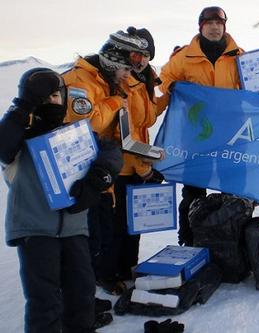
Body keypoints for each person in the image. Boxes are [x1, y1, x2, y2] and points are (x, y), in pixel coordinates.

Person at [0, 68, 122, 332]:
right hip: (35, 231)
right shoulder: (18, 141)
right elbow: (3, 144)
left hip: (75, 230)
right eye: (44, 97)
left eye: (57, 95)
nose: (52, 102)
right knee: (45, 303)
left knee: (81, 297)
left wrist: (98, 179)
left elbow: (111, 152)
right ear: (30, 100)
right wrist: (23, 107)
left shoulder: (74, 135)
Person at [159, 6, 259, 246]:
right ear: (201, 26)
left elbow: (251, 92)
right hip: (196, 134)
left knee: (234, 187)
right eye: (209, 23)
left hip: (232, 133)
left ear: (224, 27)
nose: (214, 27)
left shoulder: (240, 57)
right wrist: (172, 86)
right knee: (193, 189)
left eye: (219, 23)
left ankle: (233, 239)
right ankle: (189, 240)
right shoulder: (183, 57)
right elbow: (164, 78)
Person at [62, 29, 153, 294]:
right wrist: (115, 102)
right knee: (89, 236)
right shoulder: (80, 81)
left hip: (101, 170)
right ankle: (83, 295)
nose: (128, 76)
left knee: (103, 232)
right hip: (79, 173)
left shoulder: (105, 80)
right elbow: (86, 123)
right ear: (114, 61)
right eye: (125, 69)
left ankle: (95, 285)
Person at [107, 26, 168, 295]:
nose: (142, 60)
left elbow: (149, 116)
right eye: (137, 54)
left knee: (133, 225)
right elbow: (126, 133)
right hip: (121, 166)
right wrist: (145, 168)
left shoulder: (142, 80)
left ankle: (126, 269)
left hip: (136, 163)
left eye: (146, 55)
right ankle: (109, 275)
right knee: (117, 226)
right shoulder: (122, 82)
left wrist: (169, 94)